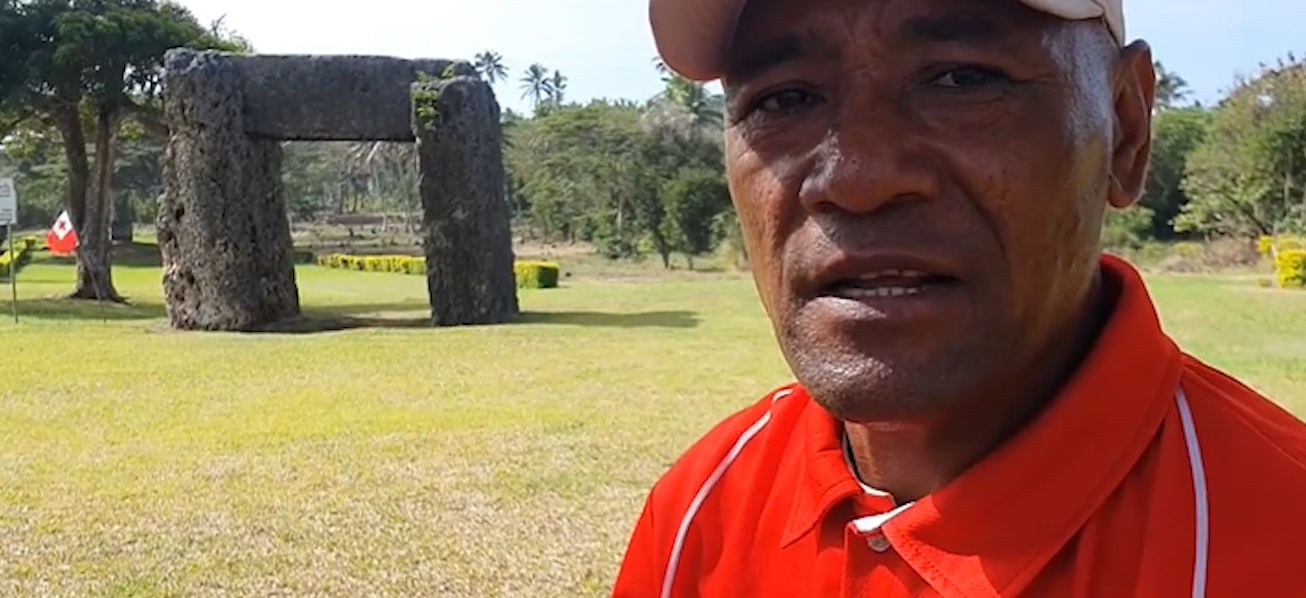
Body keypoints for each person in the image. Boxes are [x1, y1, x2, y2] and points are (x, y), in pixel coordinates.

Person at [610, 0, 1306, 596]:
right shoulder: (706, 510)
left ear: (1125, 128)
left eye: (959, 79)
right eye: (784, 99)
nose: (859, 177)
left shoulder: (1281, 534)